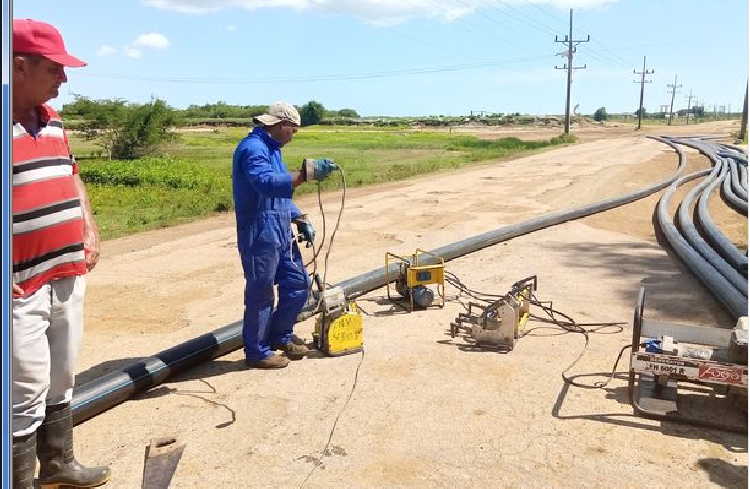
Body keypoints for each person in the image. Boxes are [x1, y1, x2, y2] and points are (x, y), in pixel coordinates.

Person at [11, 19, 111, 489]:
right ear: (18, 66)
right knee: (22, 390)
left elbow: (72, 176)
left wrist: (87, 225)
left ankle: (58, 466)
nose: (63, 80)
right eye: (54, 68)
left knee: (61, 375)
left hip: (66, 270)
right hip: (19, 284)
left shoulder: (52, 122)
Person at [232, 102, 337, 368]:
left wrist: (298, 216)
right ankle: (257, 351)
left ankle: (281, 334)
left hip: (280, 229)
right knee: (261, 292)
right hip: (259, 232)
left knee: (298, 283)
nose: (294, 135)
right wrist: (304, 175)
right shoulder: (252, 149)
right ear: (280, 125)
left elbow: (280, 195)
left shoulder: (273, 150)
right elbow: (265, 183)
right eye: (293, 129)